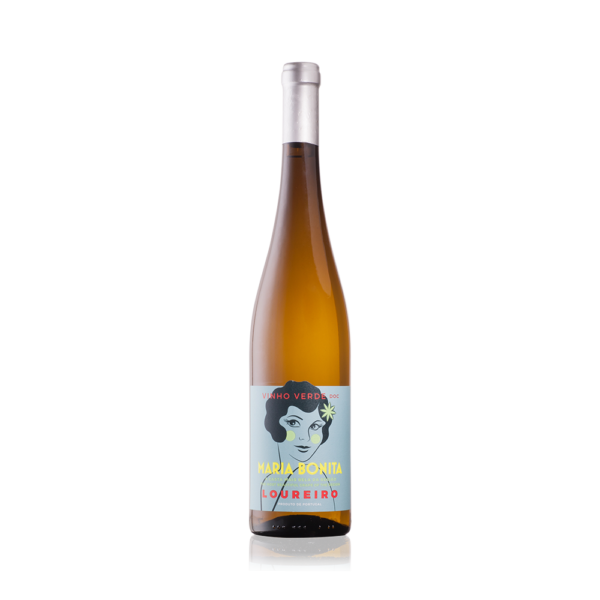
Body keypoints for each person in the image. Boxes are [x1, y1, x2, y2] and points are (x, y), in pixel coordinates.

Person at [260, 380, 336, 511]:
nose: (305, 437)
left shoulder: (316, 476)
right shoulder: (268, 481)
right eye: (293, 423)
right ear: (275, 424)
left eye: (315, 426)